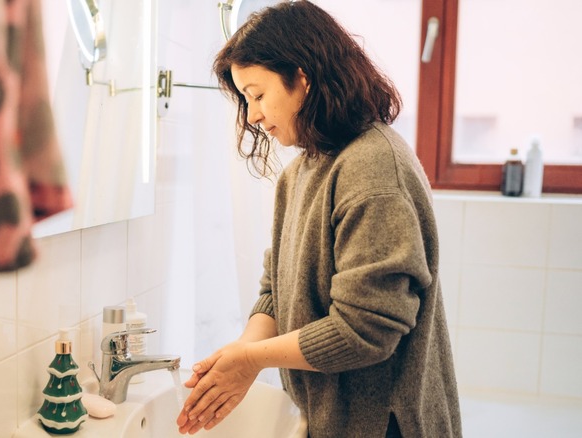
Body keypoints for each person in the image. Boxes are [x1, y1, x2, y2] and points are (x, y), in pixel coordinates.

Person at [175, 2, 462, 437]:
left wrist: (252, 359)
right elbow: (276, 291)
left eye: (257, 94)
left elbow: (366, 328)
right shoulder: (302, 172)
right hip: (335, 417)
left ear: (302, 78)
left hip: (385, 423)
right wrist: (239, 355)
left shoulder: (373, 167)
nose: (252, 115)